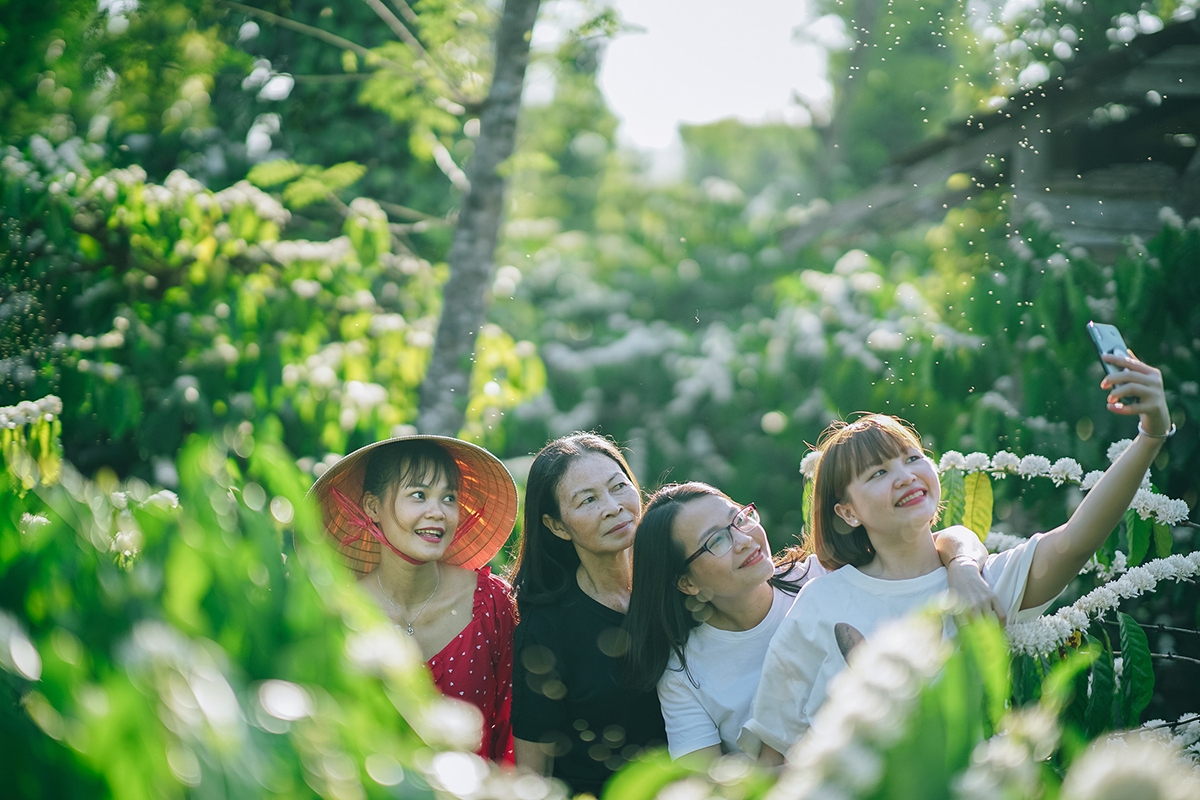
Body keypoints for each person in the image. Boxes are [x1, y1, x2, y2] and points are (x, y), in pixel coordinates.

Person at [741, 351, 1174, 764]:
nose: (906, 476)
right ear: (847, 512)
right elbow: (773, 758)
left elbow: (1075, 541)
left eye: (912, 458)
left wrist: (1150, 434)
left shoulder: (983, 585)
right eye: (878, 473)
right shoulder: (821, 603)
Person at [622, 481, 999, 760]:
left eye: (739, 518)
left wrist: (963, 565)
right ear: (687, 583)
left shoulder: (822, 577)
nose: (743, 538)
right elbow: (703, 783)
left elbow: (939, 540)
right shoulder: (685, 673)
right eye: (716, 541)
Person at [312, 435, 519, 763]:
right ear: (372, 507)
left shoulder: (491, 603)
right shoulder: (339, 613)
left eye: (448, 498)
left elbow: (513, 732)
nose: (438, 512)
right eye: (419, 495)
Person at [509, 433, 667, 796]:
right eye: (588, 501)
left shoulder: (678, 579)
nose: (613, 507)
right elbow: (534, 774)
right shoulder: (546, 629)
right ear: (557, 526)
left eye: (619, 486)